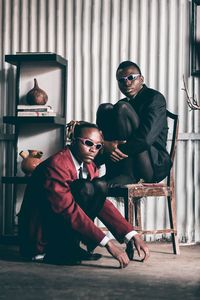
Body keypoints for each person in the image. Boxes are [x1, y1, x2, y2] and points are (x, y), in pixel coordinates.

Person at [18, 121, 149, 268]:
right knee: (85, 187)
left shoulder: (88, 165)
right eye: (88, 143)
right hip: (40, 240)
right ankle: (59, 250)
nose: (93, 150)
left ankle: (71, 247)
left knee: (99, 186)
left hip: (61, 225)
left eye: (98, 146)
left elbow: (102, 204)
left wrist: (131, 234)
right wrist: (108, 243)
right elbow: (68, 211)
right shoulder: (57, 165)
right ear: (73, 141)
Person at [96, 61, 172, 185]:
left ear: (141, 79)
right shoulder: (122, 104)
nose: (126, 83)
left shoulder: (155, 98)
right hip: (128, 160)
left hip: (151, 164)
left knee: (122, 108)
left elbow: (146, 139)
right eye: (121, 80)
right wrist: (106, 145)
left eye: (131, 78)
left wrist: (114, 149)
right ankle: (112, 173)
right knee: (105, 109)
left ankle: (128, 175)